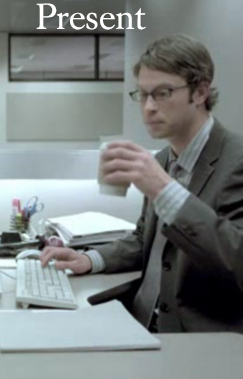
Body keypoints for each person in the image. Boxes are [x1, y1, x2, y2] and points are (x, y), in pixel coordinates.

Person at [41, 34, 243, 333]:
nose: (148, 107)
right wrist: (89, 259)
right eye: (142, 94)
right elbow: (144, 241)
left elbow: (236, 258)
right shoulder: (162, 160)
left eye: (162, 93)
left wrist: (165, 190)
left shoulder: (234, 160)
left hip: (200, 339)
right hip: (141, 323)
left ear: (200, 92)